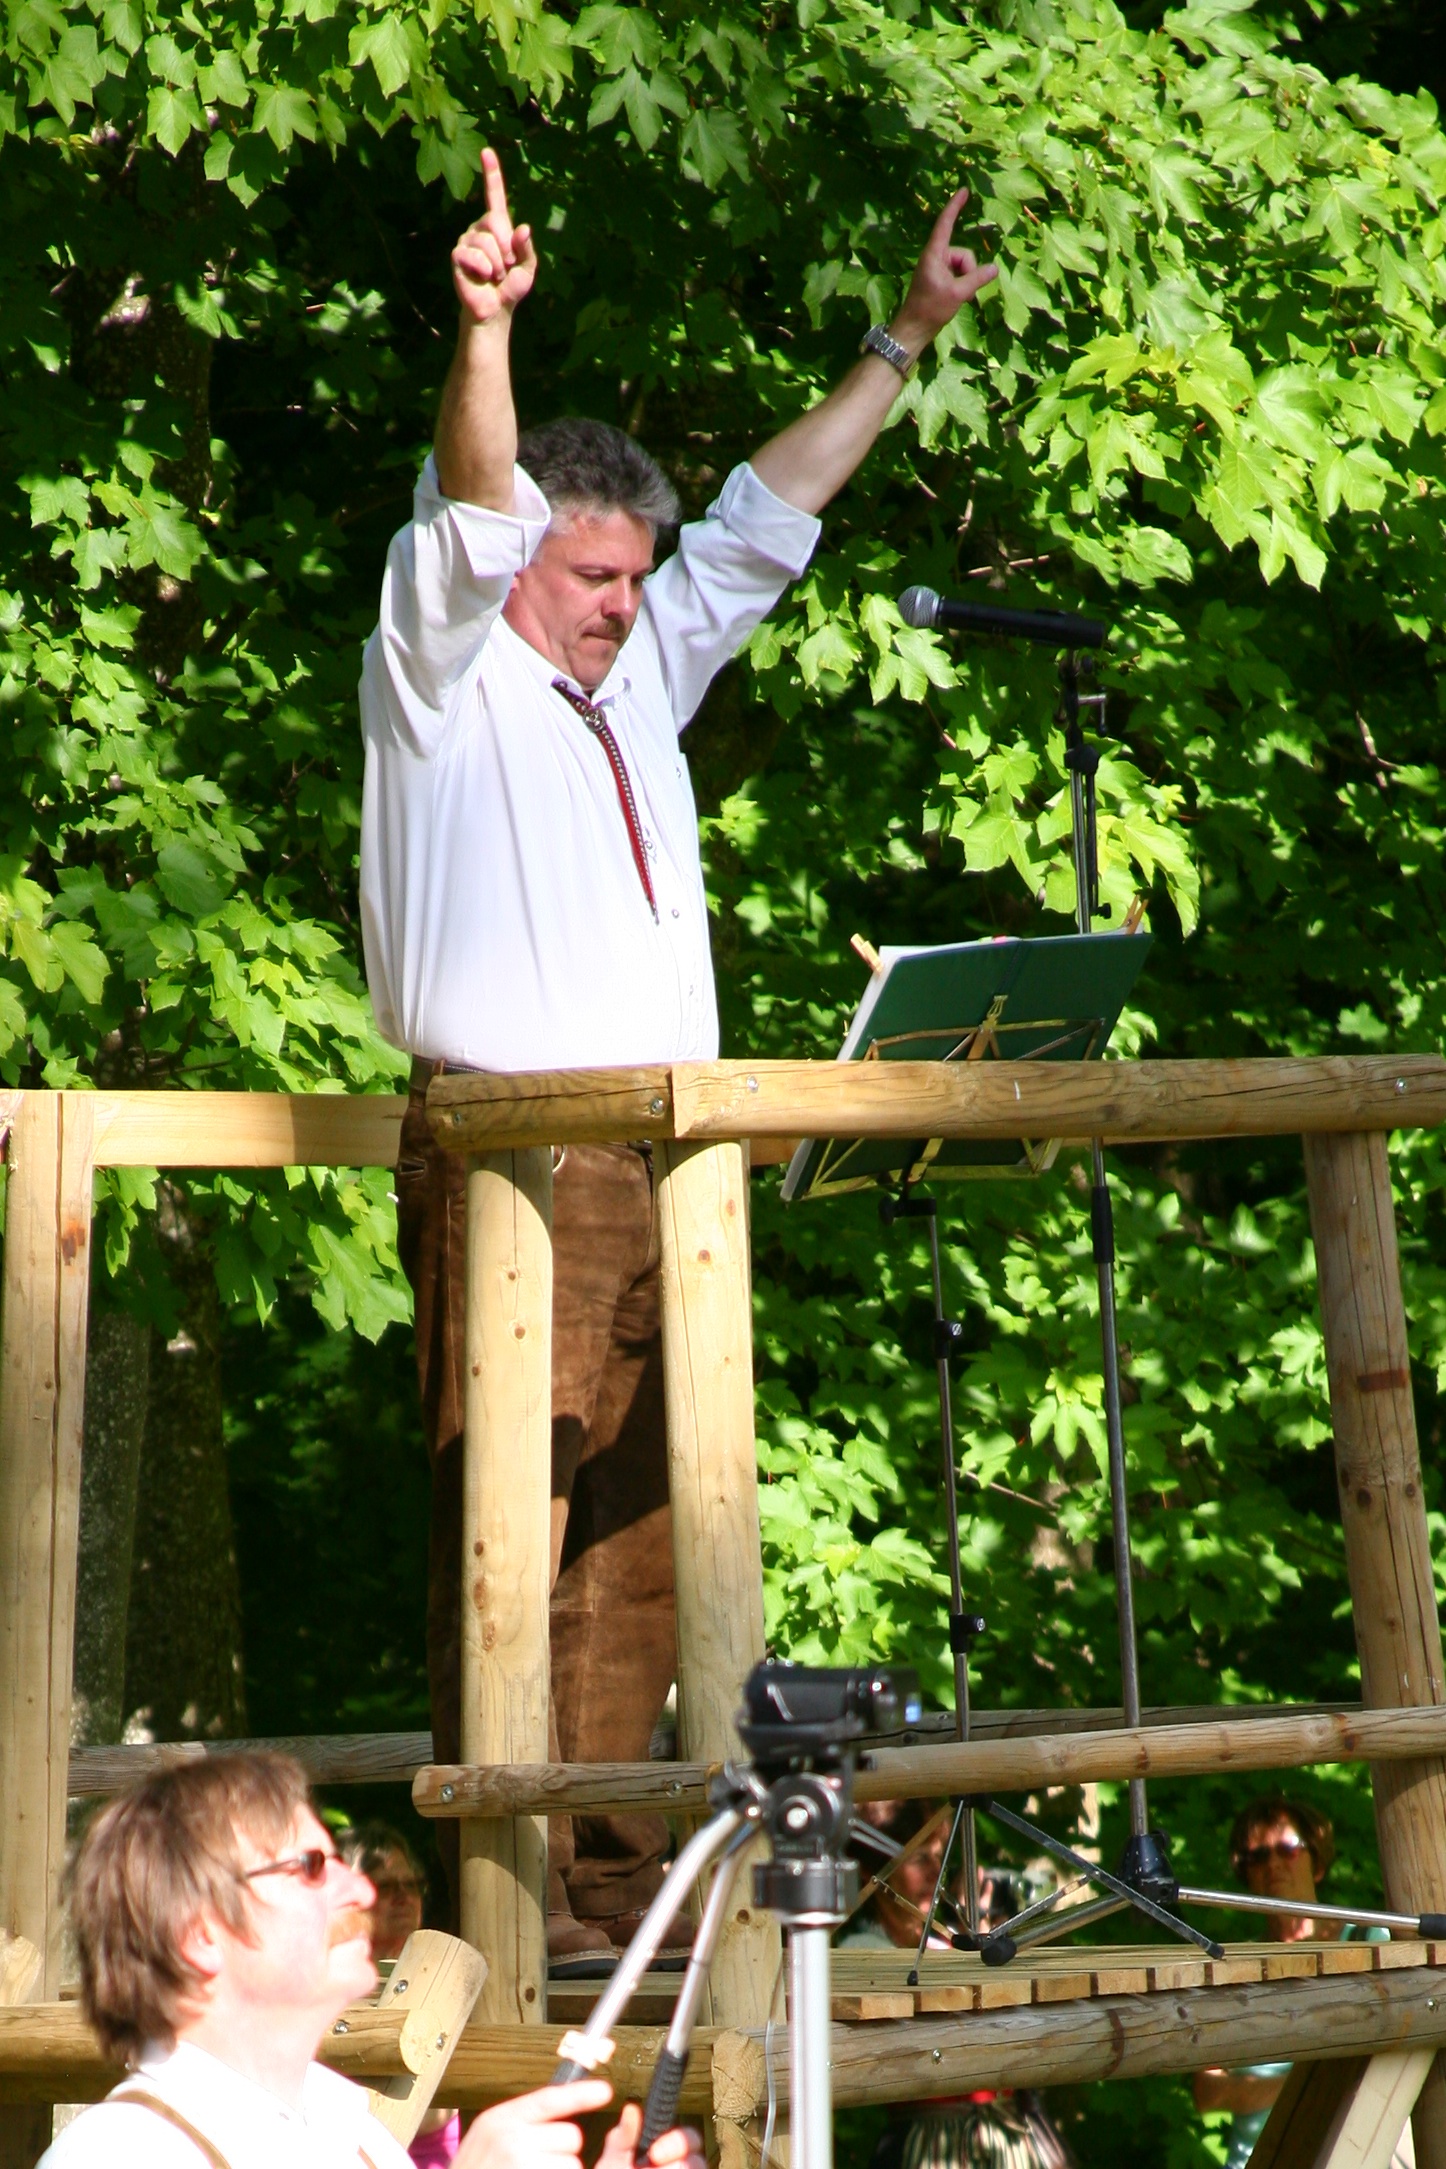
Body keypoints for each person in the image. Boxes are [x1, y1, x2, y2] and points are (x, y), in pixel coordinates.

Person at [359, 143, 999, 1966]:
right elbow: (470, 498)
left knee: (647, 1544)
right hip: (516, 1151)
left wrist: (900, 338)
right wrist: (485, 330)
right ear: (517, 561)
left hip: (667, 1159)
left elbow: (764, 515)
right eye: (589, 573)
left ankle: (617, 1883)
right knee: (518, 1529)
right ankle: (521, 1897)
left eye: (632, 576)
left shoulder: (638, 663)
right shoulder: (441, 663)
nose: (619, 602)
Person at [41, 1752, 707, 2169]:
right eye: (310, 1865)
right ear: (199, 1935)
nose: (359, 1891)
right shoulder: (121, 2152)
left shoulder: (349, 2130)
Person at [838, 1803, 1070, 2169]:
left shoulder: (947, 1941)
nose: (935, 1872)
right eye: (919, 1859)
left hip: (1008, 2131)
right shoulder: (861, 1951)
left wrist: (983, 1938)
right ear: (874, 1873)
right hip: (932, 2141)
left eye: (937, 1857)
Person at [1193, 1794, 1394, 2169]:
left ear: (1316, 1861)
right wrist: (1307, 2087)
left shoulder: (1367, 1940)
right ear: (1247, 1874)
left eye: (1286, 1849)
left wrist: (1259, 2092)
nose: (1272, 1863)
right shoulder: (1232, 1968)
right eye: (1258, 1856)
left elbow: (1385, 2062)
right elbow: (1208, 2093)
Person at [339, 1823, 459, 2169]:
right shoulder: (328, 1991)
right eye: (387, 1886)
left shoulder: (443, 1978)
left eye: (412, 1884)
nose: (404, 1897)